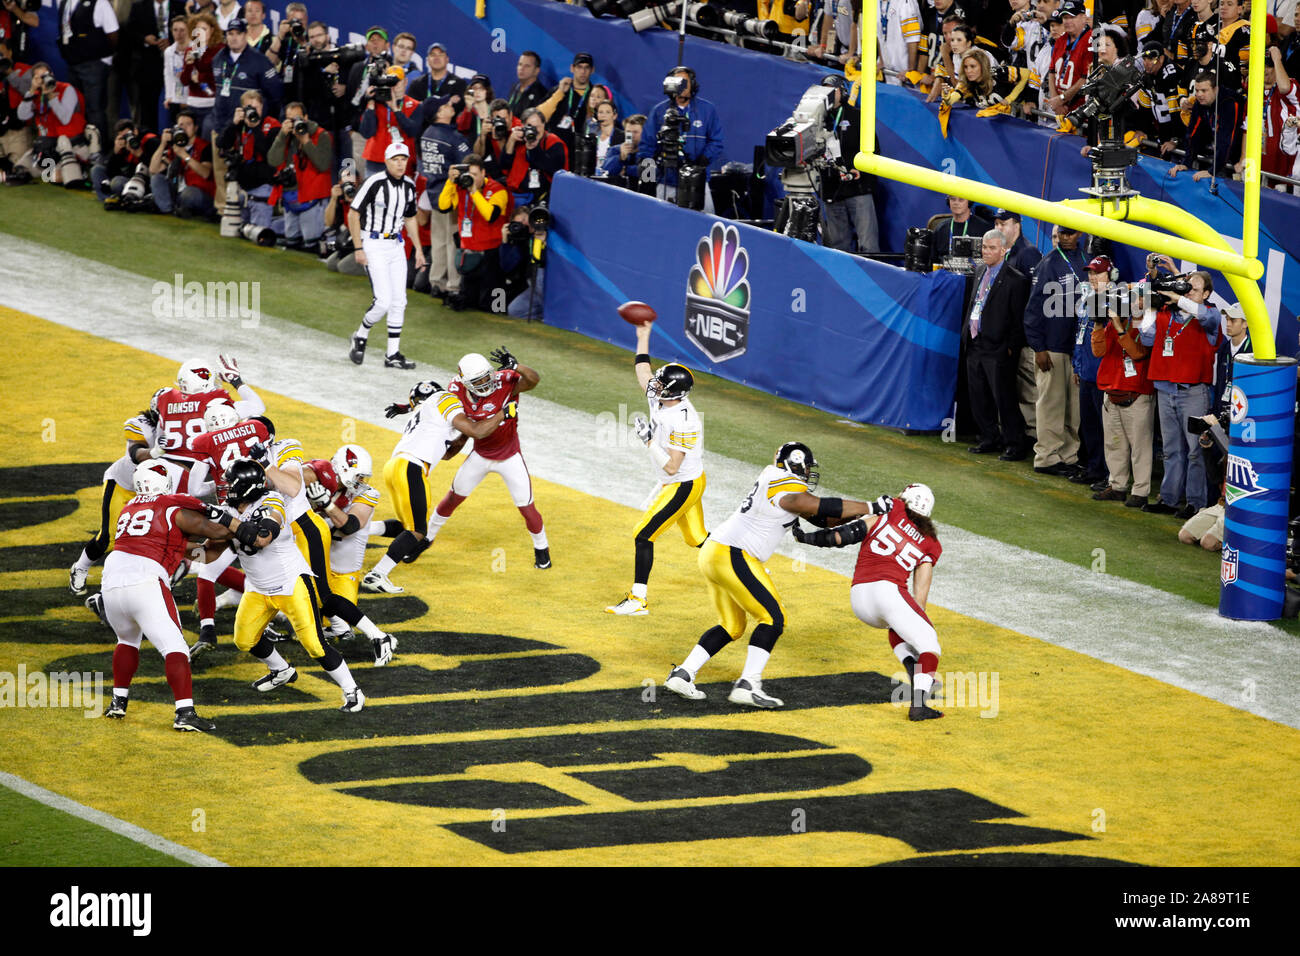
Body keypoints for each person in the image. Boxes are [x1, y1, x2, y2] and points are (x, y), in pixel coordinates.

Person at [663, 443, 876, 708]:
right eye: (806, 466)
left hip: (715, 553)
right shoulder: (784, 482)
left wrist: (868, 514)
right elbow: (810, 503)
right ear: (794, 463)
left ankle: (683, 674)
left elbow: (823, 518)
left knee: (732, 626)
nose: (809, 472)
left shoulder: (777, 481)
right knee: (774, 618)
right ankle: (748, 684)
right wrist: (870, 504)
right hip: (733, 553)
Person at [100, 460, 245, 731]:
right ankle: (185, 714)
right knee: (176, 648)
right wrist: (239, 528)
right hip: (145, 580)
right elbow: (213, 531)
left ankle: (118, 702)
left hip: (111, 582)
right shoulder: (170, 507)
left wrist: (219, 545)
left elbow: (199, 552)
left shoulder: (128, 509)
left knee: (127, 640)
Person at [219, 458, 367, 712]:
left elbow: (262, 538)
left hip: (291, 583)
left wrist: (221, 520)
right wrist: (189, 554)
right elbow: (212, 550)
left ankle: (353, 691)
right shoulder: (228, 509)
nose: (225, 487)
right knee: (244, 640)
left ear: (245, 487)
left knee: (315, 645)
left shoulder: (271, 502)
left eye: (230, 483)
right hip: (257, 587)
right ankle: (281, 670)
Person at [790, 483, 946, 720]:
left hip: (859, 596)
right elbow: (920, 598)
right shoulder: (931, 544)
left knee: (899, 623)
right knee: (930, 645)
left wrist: (807, 538)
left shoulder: (891, 508)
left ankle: (915, 673)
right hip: (889, 592)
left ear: (905, 498)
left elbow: (844, 535)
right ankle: (919, 704)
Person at [361, 380, 508, 593]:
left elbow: (447, 454)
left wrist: (464, 434)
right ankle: (378, 574)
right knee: (419, 531)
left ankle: (357, 530)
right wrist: (502, 413)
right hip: (411, 467)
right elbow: (478, 431)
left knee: (407, 528)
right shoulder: (444, 399)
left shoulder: (427, 417)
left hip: (396, 467)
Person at [416, 350, 552, 571]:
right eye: (477, 381)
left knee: (527, 507)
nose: (485, 383)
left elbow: (534, 380)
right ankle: (427, 538)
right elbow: (467, 426)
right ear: (464, 382)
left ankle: (542, 548)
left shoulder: (504, 382)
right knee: (452, 499)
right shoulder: (456, 390)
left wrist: (517, 367)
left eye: (486, 376)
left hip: (509, 456)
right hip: (480, 454)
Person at [607, 323, 706, 616]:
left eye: (661, 385)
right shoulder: (663, 396)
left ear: (675, 392)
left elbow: (673, 467)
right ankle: (743, 559)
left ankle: (638, 600)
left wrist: (648, 440)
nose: (654, 386)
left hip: (683, 484)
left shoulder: (685, 420)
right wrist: (643, 335)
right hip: (682, 481)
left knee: (643, 534)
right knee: (698, 539)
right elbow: (643, 371)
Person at [1137, 258, 1221, 517]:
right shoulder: (1166, 314)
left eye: (1194, 289)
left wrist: (1180, 299)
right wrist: (1152, 306)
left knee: (1196, 450)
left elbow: (1207, 319)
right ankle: (1169, 498)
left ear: (1206, 293)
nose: (1187, 291)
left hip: (1193, 391)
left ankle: (1195, 502)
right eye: (1186, 287)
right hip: (1166, 388)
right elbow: (1146, 338)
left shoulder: (1211, 313)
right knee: (1172, 448)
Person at [346, 141, 426, 369]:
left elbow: (410, 217)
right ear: (386, 161)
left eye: (403, 159)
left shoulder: (409, 186)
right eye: (395, 160)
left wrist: (418, 249)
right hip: (373, 243)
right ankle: (360, 335)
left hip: (396, 245)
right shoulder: (375, 182)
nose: (400, 164)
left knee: (400, 300)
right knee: (383, 301)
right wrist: (358, 247)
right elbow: (354, 214)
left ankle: (393, 354)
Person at [1023, 224, 1088, 477]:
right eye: (1061, 233)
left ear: (1080, 234)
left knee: (1073, 408)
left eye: (1070, 233)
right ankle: (1047, 457)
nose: (1065, 238)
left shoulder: (1086, 260)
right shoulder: (1048, 263)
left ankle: (1069, 456)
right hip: (1052, 346)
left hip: (1078, 346)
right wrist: (1038, 348)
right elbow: (1033, 309)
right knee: (1051, 404)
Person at [1090, 275, 1156, 507]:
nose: (1134, 301)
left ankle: (1140, 491)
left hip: (1137, 394)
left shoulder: (1148, 324)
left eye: (1139, 297)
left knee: (1140, 446)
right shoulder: (1116, 320)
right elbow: (1098, 352)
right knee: (1114, 444)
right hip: (1111, 392)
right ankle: (1117, 485)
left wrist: (1119, 328)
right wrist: (1099, 324)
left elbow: (1138, 353)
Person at [965, 229, 1031, 459]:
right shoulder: (979, 270)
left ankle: (1015, 443)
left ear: (1004, 250)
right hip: (975, 342)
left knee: (1004, 398)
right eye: (984, 247)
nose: (986, 251)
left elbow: (1018, 318)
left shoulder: (1017, 279)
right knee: (978, 394)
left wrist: (1011, 347)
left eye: (992, 248)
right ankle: (988, 438)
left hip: (999, 348)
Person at [637, 66, 724, 212]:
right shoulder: (659, 112)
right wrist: (648, 180)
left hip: (698, 183)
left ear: (693, 85)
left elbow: (716, 141)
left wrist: (702, 161)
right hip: (666, 182)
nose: (681, 86)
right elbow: (646, 147)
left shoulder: (707, 110)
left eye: (684, 81)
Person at [435, 151, 508, 312]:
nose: (472, 178)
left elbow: (490, 215)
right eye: (470, 175)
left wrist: (474, 191)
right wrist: (450, 182)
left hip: (491, 254)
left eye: (475, 174)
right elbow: (443, 206)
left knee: (494, 307)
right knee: (469, 304)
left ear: (483, 172)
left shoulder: (498, 190)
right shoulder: (461, 188)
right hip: (469, 253)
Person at [415, 93, 471, 301]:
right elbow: (469, 163)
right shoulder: (453, 138)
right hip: (453, 196)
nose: (450, 105)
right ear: (440, 113)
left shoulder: (427, 133)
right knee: (453, 242)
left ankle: (436, 282)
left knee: (438, 241)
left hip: (434, 194)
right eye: (446, 105)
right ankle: (453, 286)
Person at [820, 74, 879, 253]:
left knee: (868, 245)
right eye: (825, 89)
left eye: (833, 89)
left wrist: (860, 169)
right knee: (837, 247)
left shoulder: (857, 116)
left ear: (843, 92)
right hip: (832, 189)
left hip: (858, 187)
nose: (828, 93)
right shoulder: (817, 119)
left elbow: (875, 150)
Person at [267, 99, 331, 250]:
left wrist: (306, 141)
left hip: (312, 196)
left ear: (306, 118)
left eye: (298, 119)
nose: (295, 123)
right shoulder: (285, 136)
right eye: (290, 119)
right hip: (291, 195)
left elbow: (322, 165)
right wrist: (282, 136)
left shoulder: (321, 135)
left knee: (311, 243)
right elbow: (273, 160)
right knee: (292, 242)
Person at [18, 61, 93, 187]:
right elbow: (22, 116)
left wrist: (52, 98)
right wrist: (31, 91)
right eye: (39, 77)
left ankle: (78, 170)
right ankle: (49, 170)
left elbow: (65, 119)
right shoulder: (35, 94)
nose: (44, 80)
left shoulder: (66, 89)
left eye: (46, 75)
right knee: (19, 169)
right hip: (47, 147)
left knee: (56, 178)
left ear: (52, 74)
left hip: (70, 146)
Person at [215, 88, 280, 233]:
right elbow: (221, 143)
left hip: (262, 186)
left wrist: (255, 128)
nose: (253, 112)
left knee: (259, 233)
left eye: (255, 107)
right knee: (240, 232)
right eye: (248, 108)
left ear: (262, 108)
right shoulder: (239, 124)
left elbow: (269, 154)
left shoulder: (272, 125)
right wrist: (233, 124)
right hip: (242, 188)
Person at [56, 0, 119, 147]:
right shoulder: (64, 2)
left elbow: (113, 33)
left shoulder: (100, 3)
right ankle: (82, 148)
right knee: (77, 109)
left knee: (94, 110)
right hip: (73, 63)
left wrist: (104, 58)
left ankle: (98, 150)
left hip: (94, 64)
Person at [1170, 72, 1245, 181]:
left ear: (1216, 89)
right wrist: (1186, 163)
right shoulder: (1200, 102)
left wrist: (1213, 171)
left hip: (1241, 155)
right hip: (1220, 151)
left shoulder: (1230, 102)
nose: (1199, 94)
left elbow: (1227, 140)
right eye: (1197, 90)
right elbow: (1192, 133)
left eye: (1204, 91)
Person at [149, 107, 215, 216]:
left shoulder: (205, 147)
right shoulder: (175, 146)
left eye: (188, 124)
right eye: (181, 125)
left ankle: (177, 208)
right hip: (179, 192)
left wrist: (184, 155)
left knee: (188, 194)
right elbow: (153, 169)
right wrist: (163, 144)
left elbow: (205, 173)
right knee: (156, 179)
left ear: (195, 128)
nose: (183, 128)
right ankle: (169, 211)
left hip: (200, 194)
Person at [359, 64, 419, 176]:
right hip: (376, 159)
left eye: (397, 81)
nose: (394, 86)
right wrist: (371, 105)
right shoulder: (376, 102)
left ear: (405, 82)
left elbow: (412, 131)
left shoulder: (415, 105)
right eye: (390, 82)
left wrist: (396, 109)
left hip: (401, 160)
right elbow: (367, 133)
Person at [501, 106, 567, 207]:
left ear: (544, 124)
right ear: (522, 125)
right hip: (516, 195)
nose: (534, 131)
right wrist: (511, 141)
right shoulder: (519, 140)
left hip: (542, 198)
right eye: (530, 126)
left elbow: (555, 170)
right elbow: (504, 165)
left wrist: (534, 148)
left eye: (537, 127)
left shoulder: (554, 142)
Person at [539, 50, 595, 158]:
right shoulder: (559, 90)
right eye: (579, 67)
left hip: (581, 153)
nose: (583, 71)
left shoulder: (595, 94)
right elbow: (540, 116)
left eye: (586, 67)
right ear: (572, 68)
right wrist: (559, 93)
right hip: (555, 149)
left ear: (592, 70)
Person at [1045, 0, 1092, 115]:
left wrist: (1061, 99)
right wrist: (1055, 101)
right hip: (1059, 108)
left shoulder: (1092, 39)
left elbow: (1086, 79)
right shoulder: (1060, 40)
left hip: (1080, 112)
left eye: (1072, 17)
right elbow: (1051, 72)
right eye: (1065, 18)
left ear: (1083, 18)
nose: (1067, 21)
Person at [878, 0, 923, 83]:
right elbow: (879, 35)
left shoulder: (906, 2)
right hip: (889, 72)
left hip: (905, 75)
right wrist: (881, 61)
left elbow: (913, 38)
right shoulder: (874, 4)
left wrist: (910, 69)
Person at [407, 40, 464, 104]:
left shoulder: (459, 84)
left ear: (447, 59)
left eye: (440, 55)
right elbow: (410, 109)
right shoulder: (416, 84)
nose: (436, 58)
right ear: (427, 60)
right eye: (433, 55)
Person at [598, 113, 646, 187]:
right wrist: (620, 158)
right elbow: (605, 172)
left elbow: (650, 173)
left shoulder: (650, 151)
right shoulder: (615, 150)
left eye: (635, 132)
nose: (631, 136)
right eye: (628, 132)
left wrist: (625, 170)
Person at [506, 49, 546, 117]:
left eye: (527, 66)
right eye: (520, 64)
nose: (521, 68)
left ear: (536, 71)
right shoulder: (515, 87)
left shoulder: (541, 94)